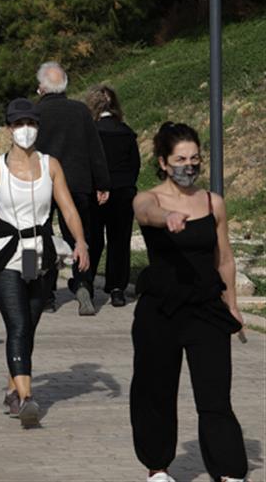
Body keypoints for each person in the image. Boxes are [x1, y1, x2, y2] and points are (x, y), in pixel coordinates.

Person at [129, 122, 248, 482]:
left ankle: (228, 472)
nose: (189, 165)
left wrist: (233, 305)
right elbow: (146, 213)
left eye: (194, 158)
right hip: (160, 309)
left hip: (205, 309)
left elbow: (224, 258)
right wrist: (168, 218)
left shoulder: (213, 202)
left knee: (215, 395)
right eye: (180, 158)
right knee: (156, 390)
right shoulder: (149, 198)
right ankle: (158, 467)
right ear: (163, 163)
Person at [0, 98, 90, 428]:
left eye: (31, 123)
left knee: (30, 324)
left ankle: (12, 388)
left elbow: (69, 208)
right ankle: (27, 399)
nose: (25, 130)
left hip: (38, 254)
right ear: (9, 129)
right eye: (19, 124)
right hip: (6, 254)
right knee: (17, 324)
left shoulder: (51, 166)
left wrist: (81, 242)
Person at [35, 61, 110, 315]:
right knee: (80, 237)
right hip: (78, 183)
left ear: (41, 88)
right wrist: (102, 183)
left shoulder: (35, 114)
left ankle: (43, 293)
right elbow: (95, 150)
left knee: (39, 235)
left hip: (43, 183)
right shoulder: (80, 111)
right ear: (65, 85)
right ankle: (83, 284)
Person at [85, 85, 140, 307]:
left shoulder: (91, 132)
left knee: (93, 240)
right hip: (123, 192)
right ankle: (117, 288)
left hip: (95, 192)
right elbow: (135, 165)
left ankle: (86, 282)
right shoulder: (126, 132)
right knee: (119, 241)